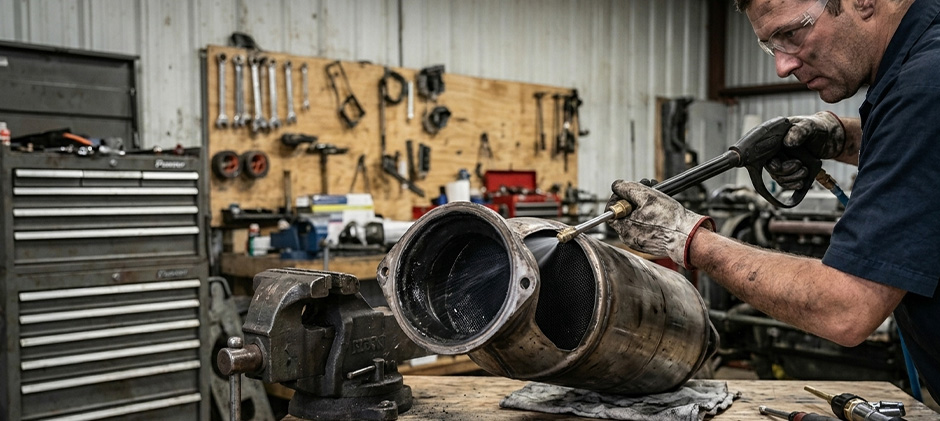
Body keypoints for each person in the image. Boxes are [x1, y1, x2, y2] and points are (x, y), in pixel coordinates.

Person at [606, 0, 940, 399]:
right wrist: (842, 137)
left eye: (791, 35)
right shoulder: (923, 60)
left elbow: (846, 308)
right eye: (771, 45)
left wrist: (686, 237)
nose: (783, 66)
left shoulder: (924, 87)